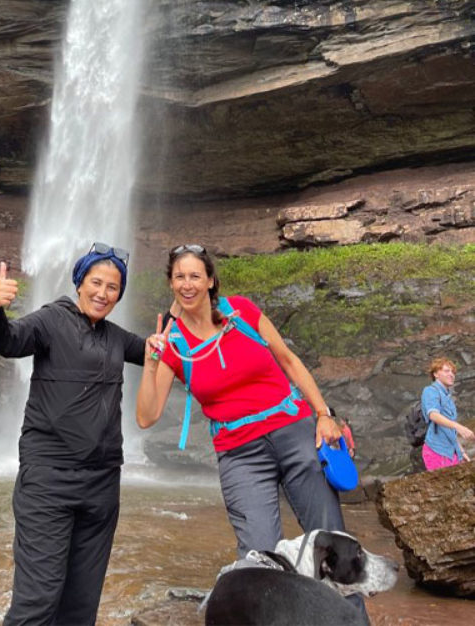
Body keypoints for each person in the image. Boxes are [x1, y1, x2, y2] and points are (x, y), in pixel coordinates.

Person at [137, 244, 369, 617]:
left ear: (211, 280)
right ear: (170, 283)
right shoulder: (174, 345)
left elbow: (289, 361)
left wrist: (324, 414)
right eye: (179, 276)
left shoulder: (241, 311)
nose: (187, 283)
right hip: (240, 454)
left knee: (335, 543)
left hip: (295, 433)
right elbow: (146, 417)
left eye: (195, 275)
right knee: (258, 558)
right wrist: (152, 360)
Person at [0, 243, 151, 626]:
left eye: (112, 287)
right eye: (96, 282)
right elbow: (7, 341)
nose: (102, 293)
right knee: (38, 601)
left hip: (102, 485)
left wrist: (192, 321)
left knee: (80, 607)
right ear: (79, 282)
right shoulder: (49, 321)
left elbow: (157, 352)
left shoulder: (115, 337)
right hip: (48, 482)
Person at [421, 357, 473, 470]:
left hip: (452, 451)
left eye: (453, 372)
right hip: (437, 451)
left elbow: (450, 431)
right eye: (446, 371)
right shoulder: (430, 391)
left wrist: (461, 451)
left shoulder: (448, 397)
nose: (451, 374)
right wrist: (459, 427)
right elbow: (433, 415)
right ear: (436, 374)